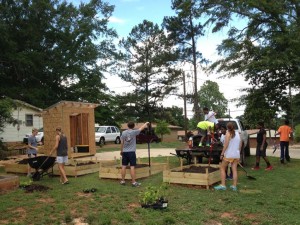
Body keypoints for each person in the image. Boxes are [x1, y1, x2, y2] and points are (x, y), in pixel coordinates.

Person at [120, 121, 150, 187]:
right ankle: (133, 182)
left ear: (127, 126)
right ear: (133, 126)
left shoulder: (123, 133)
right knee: (132, 167)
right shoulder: (134, 132)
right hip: (131, 152)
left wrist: (121, 151)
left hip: (124, 152)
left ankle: (122, 181)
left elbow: (122, 142)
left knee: (123, 166)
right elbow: (141, 128)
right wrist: (146, 123)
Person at [214, 122, 242, 191]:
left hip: (229, 154)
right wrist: (238, 152)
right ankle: (234, 186)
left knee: (222, 168)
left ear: (227, 128)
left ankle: (223, 185)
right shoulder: (238, 134)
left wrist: (222, 154)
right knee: (234, 169)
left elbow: (225, 145)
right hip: (236, 154)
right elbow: (241, 143)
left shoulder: (228, 133)